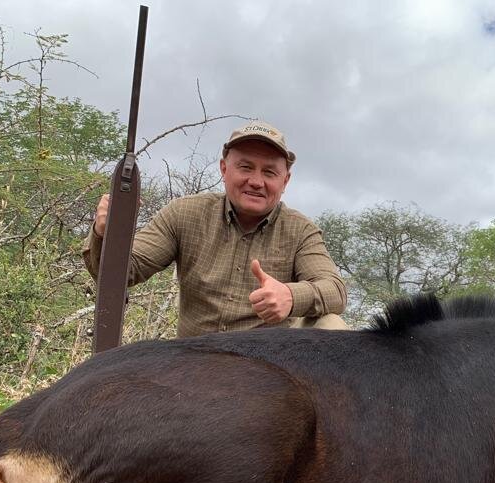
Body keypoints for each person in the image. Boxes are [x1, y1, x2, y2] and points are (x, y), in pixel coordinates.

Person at [82, 120, 348, 336]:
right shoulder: (184, 212)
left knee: (332, 326)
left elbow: (335, 290)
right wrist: (108, 234)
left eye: (269, 172)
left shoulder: (300, 230)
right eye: (245, 167)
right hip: (194, 360)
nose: (256, 181)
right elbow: (125, 272)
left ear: (285, 180)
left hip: (267, 365)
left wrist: (290, 296)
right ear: (224, 168)